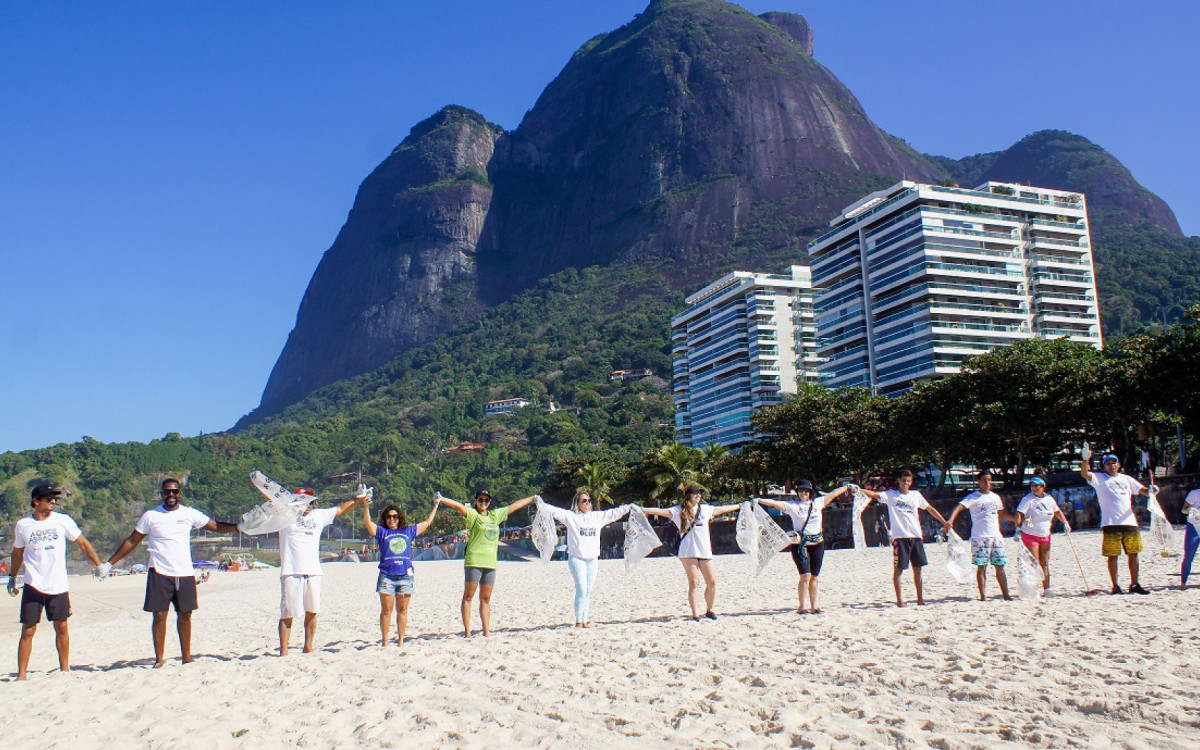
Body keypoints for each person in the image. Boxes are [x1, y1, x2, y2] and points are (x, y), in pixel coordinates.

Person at [102, 477, 240, 667]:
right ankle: (159, 659)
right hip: (159, 572)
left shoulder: (189, 514)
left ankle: (187, 656)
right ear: (162, 494)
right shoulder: (151, 516)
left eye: (174, 491)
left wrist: (239, 528)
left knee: (185, 615)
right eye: (167, 491)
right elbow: (132, 541)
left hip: (184, 572)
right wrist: (109, 564)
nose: (171, 495)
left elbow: (215, 526)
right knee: (159, 616)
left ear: (179, 493)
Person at [7, 483, 103, 680]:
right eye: (48, 498)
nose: (53, 502)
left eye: (54, 499)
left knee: (61, 627)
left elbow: (83, 544)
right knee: (28, 629)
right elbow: (17, 553)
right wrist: (12, 577)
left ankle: (64, 669)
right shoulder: (23, 525)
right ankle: (22, 675)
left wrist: (98, 564)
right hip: (33, 584)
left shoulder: (63, 521)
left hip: (58, 584)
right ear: (36, 501)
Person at [275, 487, 368, 655]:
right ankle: (284, 650)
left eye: (311, 502)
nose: (309, 505)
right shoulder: (285, 515)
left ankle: (308, 646)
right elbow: (271, 497)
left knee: (312, 612)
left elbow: (340, 509)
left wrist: (358, 499)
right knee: (287, 614)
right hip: (291, 571)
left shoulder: (319, 515)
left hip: (314, 571)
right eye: (304, 502)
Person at [436, 489, 536, 637]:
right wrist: (442, 499)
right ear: (476, 501)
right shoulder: (473, 515)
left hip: (490, 562)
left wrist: (532, 499)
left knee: (486, 598)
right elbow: (459, 507)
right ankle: (468, 632)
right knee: (468, 596)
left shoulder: (495, 516)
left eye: (486, 500)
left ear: (489, 502)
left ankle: (486, 631)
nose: (483, 503)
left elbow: (514, 506)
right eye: (480, 500)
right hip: (474, 560)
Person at [643, 486, 740, 621]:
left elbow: (723, 509)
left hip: (705, 549)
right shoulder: (678, 510)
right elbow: (661, 511)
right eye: (694, 493)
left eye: (699, 493)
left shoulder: (706, 509)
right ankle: (695, 613)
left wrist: (740, 505)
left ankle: (709, 610)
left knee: (712, 581)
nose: (697, 495)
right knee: (694, 582)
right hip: (688, 550)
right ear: (688, 495)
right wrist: (642, 509)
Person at [755, 481, 852, 614]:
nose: (803, 493)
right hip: (800, 545)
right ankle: (802, 606)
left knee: (815, 577)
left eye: (806, 491)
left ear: (810, 492)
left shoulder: (818, 503)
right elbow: (774, 503)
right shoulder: (793, 506)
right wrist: (759, 500)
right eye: (801, 491)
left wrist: (847, 487)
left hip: (817, 543)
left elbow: (833, 494)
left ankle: (815, 606)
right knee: (805, 575)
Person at [858, 470, 951, 607]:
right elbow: (875, 495)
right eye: (903, 480)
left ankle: (920, 599)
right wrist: (860, 490)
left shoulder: (916, 495)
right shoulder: (891, 495)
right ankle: (900, 601)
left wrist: (944, 522)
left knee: (918, 569)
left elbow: (930, 509)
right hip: (900, 538)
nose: (905, 483)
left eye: (908, 481)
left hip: (916, 536)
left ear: (911, 482)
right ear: (899, 481)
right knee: (898, 570)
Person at [539, 491, 631, 627]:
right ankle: (578, 621)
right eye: (584, 501)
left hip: (593, 559)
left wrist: (629, 507)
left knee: (588, 590)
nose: (587, 503)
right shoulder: (571, 517)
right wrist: (539, 502)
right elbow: (553, 511)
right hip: (577, 558)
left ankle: (584, 620)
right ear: (577, 503)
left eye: (589, 500)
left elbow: (614, 513)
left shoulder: (597, 517)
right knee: (581, 589)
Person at [361, 491, 440, 647]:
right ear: (385, 518)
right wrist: (365, 506)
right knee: (386, 610)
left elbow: (427, 523)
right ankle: (385, 641)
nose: (392, 519)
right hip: (387, 576)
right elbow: (368, 524)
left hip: (405, 576)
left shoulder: (408, 531)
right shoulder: (383, 532)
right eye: (389, 516)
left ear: (399, 518)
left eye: (395, 516)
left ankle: (401, 640)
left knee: (402, 610)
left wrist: (436, 505)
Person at [1080, 451, 1152, 595]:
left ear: (1118, 465)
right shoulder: (1100, 478)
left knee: (1134, 553)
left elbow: (1142, 490)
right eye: (1108, 463)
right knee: (1113, 555)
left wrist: (1151, 491)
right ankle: (1115, 586)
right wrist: (1085, 460)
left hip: (1130, 522)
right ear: (1104, 466)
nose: (1111, 465)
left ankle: (1135, 584)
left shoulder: (1126, 479)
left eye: (1114, 463)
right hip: (1110, 522)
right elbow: (1085, 474)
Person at [944, 472, 1013, 601]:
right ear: (979, 482)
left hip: (996, 536)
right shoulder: (973, 497)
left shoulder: (996, 497)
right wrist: (950, 521)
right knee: (982, 567)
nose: (987, 483)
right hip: (980, 537)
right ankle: (982, 596)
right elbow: (959, 507)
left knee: (1000, 566)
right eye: (984, 480)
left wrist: (1016, 519)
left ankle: (1006, 595)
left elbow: (1002, 514)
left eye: (989, 480)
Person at [1014, 475, 1072, 596]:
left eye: (1037, 486)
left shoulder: (1049, 499)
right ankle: (1033, 589)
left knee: (1044, 562)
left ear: (1043, 487)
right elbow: (1019, 514)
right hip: (1030, 534)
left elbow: (1057, 511)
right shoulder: (1027, 500)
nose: (1034, 488)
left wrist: (1065, 522)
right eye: (1032, 486)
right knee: (1034, 563)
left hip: (1045, 534)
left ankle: (1047, 589)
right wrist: (1018, 529)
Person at [1181, 487, 1200, 591]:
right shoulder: (1194, 493)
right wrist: (1190, 510)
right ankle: (1183, 581)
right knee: (1189, 555)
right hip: (1194, 527)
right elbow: (1183, 509)